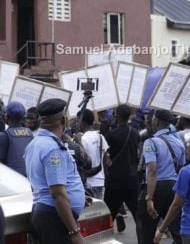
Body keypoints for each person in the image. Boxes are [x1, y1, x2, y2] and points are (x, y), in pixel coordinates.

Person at [24, 98, 86, 244]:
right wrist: (74, 232)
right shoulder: (53, 149)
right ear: (63, 120)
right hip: (54, 217)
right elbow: (57, 193)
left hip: (47, 214)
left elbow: (44, 182)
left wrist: (75, 195)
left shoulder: (34, 144)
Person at [138, 109, 186, 244]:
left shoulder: (151, 142)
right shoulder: (179, 143)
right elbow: (180, 167)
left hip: (156, 188)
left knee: (146, 230)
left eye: (153, 119)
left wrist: (149, 198)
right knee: (176, 230)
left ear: (157, 122)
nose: (151, 121)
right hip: (173, 187)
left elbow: (152, 171)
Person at [104, 104, 140, 237]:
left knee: (107, 218)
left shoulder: (111, 135)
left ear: (117, 116)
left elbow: (106, 157)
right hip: (131, 180)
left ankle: (103, 240)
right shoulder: (135, 133)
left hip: (115, 181)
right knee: (138, 217)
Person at [78, 109, 110, 199]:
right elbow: (105, 159)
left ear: (82, 122)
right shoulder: (100, 137)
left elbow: (81, 158)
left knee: (89, 211)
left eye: (77, 121)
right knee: (99, 211)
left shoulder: (82, 139)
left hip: (87, 182)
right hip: (100, 181)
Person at [0, 101, 33, 176]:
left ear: (6, 116)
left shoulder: (5, 136)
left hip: (11, 179)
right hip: (27, 178)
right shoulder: (29, 133)